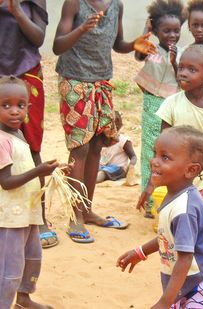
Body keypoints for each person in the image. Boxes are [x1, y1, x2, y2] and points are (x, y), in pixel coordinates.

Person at [52, 0, 156, 243]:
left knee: (98, 145)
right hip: (75, 82)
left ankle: (86, 211)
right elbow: (57, 45)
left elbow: (117, 44)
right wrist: (81, 29)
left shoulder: (116, 6)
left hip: (101, 82)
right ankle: (74, 216)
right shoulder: (74, 4)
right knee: (80, 148)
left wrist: (133, 44)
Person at [117, 126, 203, 308]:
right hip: (190, 278)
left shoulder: (185, 208)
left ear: (191, 170)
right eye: (155, 153)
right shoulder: (175, 196)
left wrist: (164, 302)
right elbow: (168, 236)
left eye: (165, 157)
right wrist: (141, 251)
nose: (154, 161)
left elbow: (185, 258)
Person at [138, 44, 203, 249]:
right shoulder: (171, 104)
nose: (183, 73)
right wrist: (151, 184)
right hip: (178, 184)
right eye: (181, 67)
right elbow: (161, 148)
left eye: (192, 70)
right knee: (178, 235)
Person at [0, 76, 64, 309]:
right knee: (9, 269)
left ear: (28, 107)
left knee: (31, 259)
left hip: (27, 213)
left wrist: (55, 170)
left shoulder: (18, 135)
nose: (14, 111)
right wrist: (39, 170)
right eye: (5, 105)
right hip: (9, 218)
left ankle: (24, 299)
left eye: (20, 105)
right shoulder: (1, 140)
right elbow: (6, 181)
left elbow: (24, 168)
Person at [0, 0, 58, 248]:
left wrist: (16, 11)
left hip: (26, 74)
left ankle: (39, 218)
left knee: (31, 146)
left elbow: (38, 38)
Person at [133, 0, 186, 216]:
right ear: (156, 31)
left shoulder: (182, 53)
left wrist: (174, 61)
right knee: (150, 151)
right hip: (152, 105)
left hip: (172, 106)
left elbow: (183, 80)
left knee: (170, 152)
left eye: (176, 31)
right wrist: (146, 31)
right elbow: (137, 55)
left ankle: (167, 196)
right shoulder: (150, 50)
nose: (172, 35)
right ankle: (148, 201)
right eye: (166, 31)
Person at [97, 111, 137, 183]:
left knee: (103, 173)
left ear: (118, 127)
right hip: (102, 166)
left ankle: (92, 181)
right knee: (92, 169)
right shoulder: (101, 140)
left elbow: (133, 156)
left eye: (113, 127)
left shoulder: (123, 141)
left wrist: (131, 166)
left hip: (118, 168)